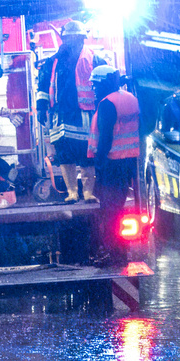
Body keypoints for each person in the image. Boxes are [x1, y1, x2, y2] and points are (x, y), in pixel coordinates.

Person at [88, 65, 142, 258]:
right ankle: (120, 250)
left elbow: (105, 139)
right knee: (119, 208)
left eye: (95, 85)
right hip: (128, 163)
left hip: (111, 164)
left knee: (109, 211)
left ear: (105, 82)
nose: (93, 89)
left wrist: (99, 165)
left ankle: (112, 251)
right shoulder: (131, 99)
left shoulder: (107, 104)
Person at [48, 20, 96, 202]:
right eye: (71, 38)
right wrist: (42, 106)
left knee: (87, 155)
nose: (75, 41)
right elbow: (45, 85)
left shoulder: (93, 58)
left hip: (84, 115)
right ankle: (72, 193)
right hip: (61, 116)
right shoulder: (55, 61)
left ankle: (88, 193)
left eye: (78, 38)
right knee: (65, 155)